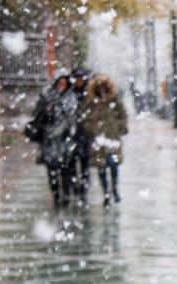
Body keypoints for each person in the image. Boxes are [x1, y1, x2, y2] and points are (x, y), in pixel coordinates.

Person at [28, 74, 78, 208]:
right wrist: (47, 111)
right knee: (52, 172)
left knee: (65, 171)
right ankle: (56, 196)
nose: (61, 87)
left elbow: (72, 119)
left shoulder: (70, 99)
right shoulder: (47, 97)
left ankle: (66, 197)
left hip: (64, 141)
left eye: (64, 84)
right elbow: (39, 116)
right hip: (50, 141)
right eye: (59, 83)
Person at [81, 73, 129, 206]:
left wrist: (120, 126)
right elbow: (84, 117)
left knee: (112, 163)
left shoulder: (113, 99)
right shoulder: (91, 101)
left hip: (112, 136)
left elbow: (122, 114)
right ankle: (106, 191)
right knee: (101, 166)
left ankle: (114, 187)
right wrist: (91, 128)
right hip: (98, 137)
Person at [69, 66, 92, 204]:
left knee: (85, 165)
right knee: (72, 164)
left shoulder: (88, 94)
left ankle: (83, 190)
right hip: (73, 134)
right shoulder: (71, 93)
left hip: (84, 134)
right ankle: (76, 188)